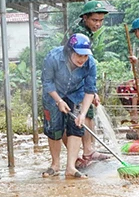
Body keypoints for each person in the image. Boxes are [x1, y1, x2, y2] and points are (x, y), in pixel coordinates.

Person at [41, 33, 98, 179]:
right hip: (53, 94)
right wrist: (59, 101)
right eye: (79, 55)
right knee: (54, 128)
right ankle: (55, 165)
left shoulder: (90, 63)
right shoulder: (53, 57)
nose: (82, 59)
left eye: (85, 56)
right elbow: (47, 82)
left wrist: (83, 114)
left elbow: (90, 90)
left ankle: (71, 167)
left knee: (77, 127)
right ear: (69, 52)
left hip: (76, 94)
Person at [66, 0, 110, 167]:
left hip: (82, 80)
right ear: (85, 18)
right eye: (94, 20)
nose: (98, 24)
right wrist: (89, 90)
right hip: (72, 81)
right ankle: (82, 154)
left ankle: (88, 150)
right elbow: (78, 62)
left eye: (100, 21)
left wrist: (91, 90)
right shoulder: (78, 33)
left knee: (87, 113)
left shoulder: (86, 32)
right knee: (79, 115)